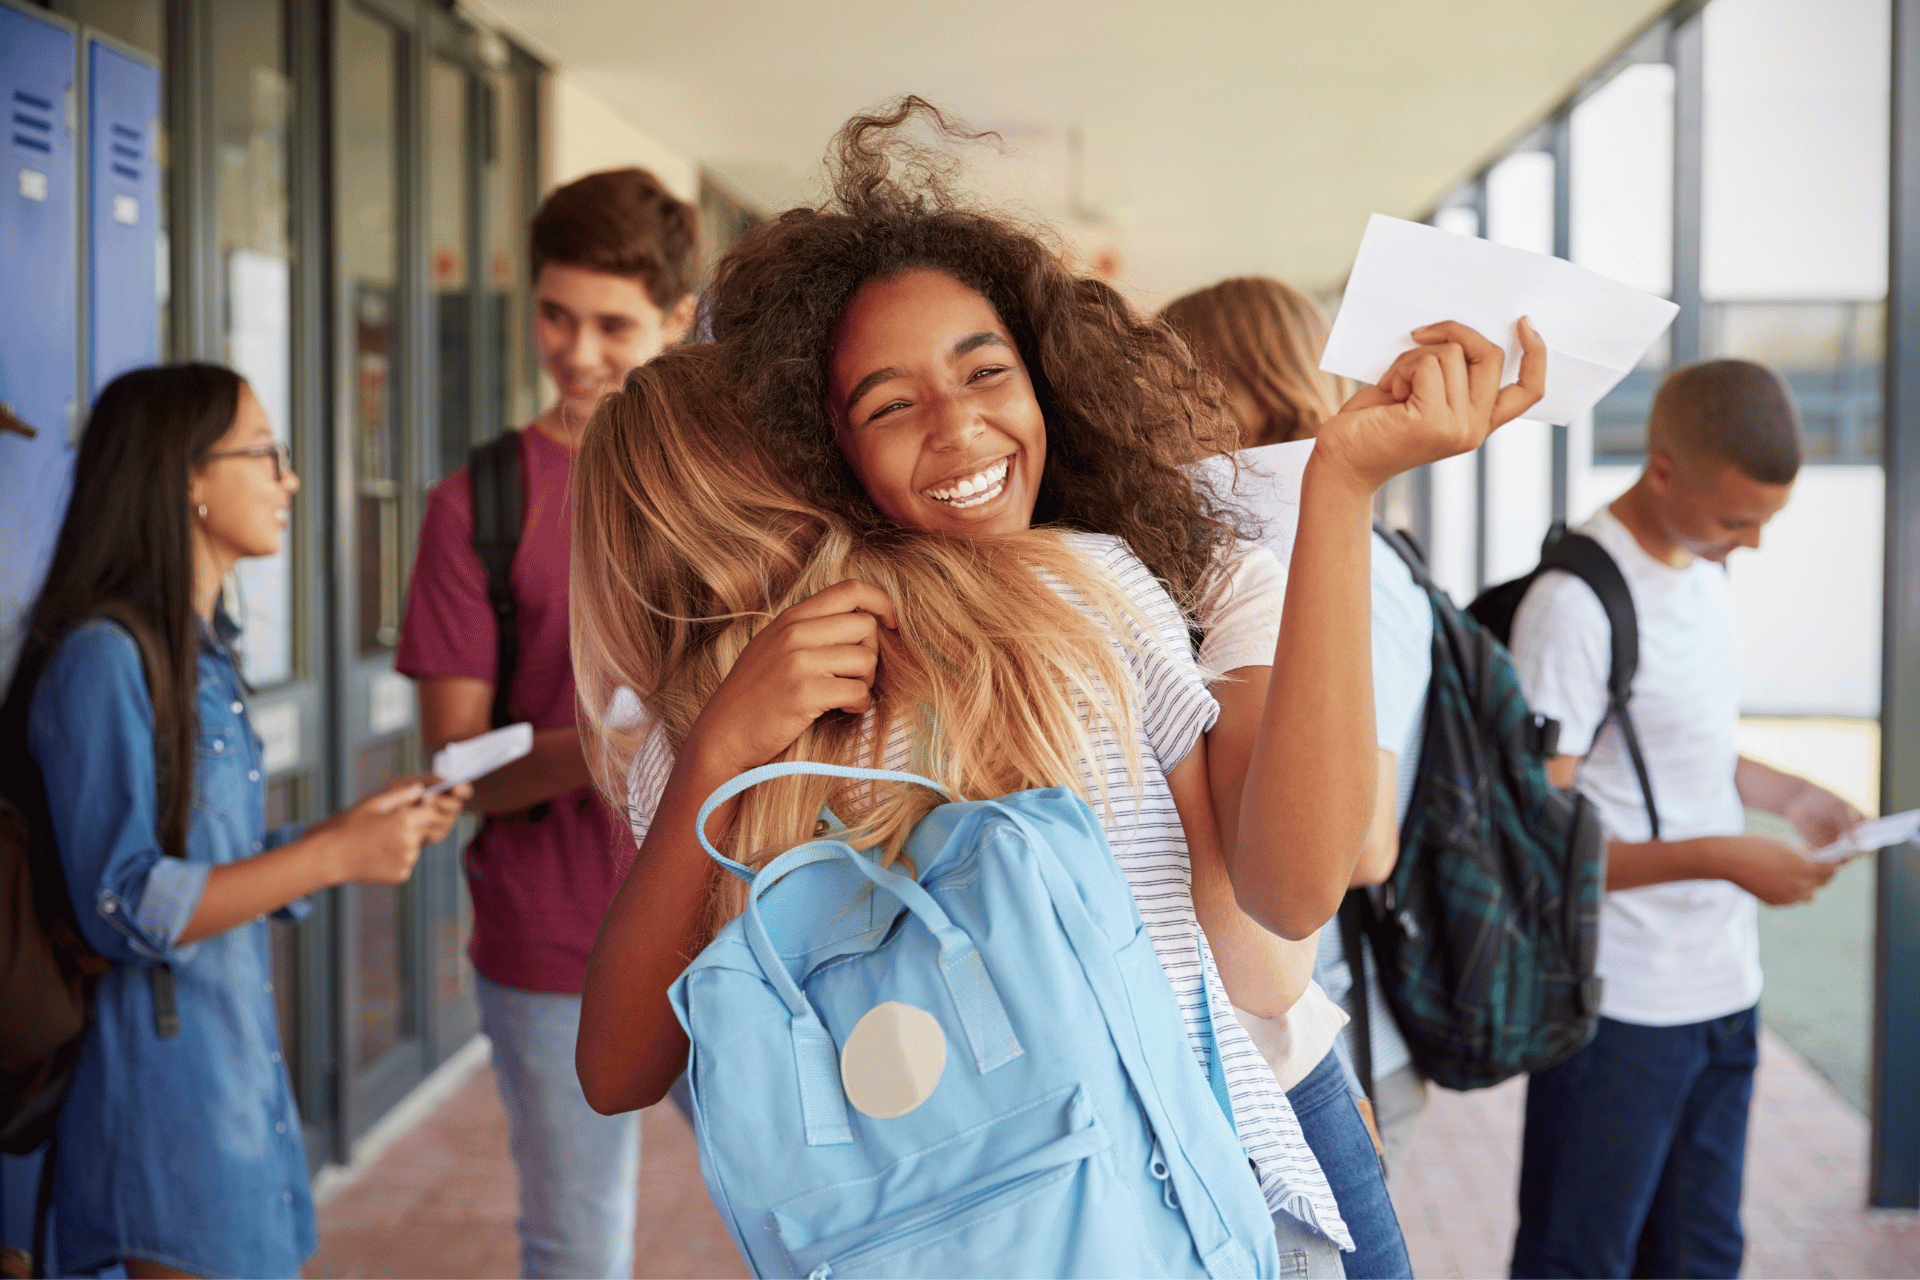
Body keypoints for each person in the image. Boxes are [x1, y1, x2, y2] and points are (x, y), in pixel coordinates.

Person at [574, 98, 1543, 1277]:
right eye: (885, 405)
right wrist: (724, 749)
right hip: (1105, 1215)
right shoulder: (720, 734)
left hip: (1136, 1201)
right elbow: (618, 1069)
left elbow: (1285, 891)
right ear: (823, 450)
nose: (958, 426)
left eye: (987, 370)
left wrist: (1337, 494)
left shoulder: (1070, 592)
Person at [0, 364, 464, 1280]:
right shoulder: (103, 657)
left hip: (236, 1071)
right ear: (186, 479)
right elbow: (127, 904)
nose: (290, 479)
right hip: (162, 1098)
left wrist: (345, 837)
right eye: (266, 454)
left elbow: (212, 867)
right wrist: (332, 855)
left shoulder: (205, 657)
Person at [395, 166, 698, 1280]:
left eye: (613, 324)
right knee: (579, 1246)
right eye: (555, 315)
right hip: (553, 937)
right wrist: (647, 739)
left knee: (827, 1216)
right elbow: (456, 769)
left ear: (675, 319)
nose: (576, 351)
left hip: (734, 911)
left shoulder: (720, 481)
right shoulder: (479, 503)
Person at [1505, 358, 1860, 1280]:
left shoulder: (1703, 572)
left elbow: (1681, 746)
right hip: (1619, 1005)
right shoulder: (1574, 607)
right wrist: (1723, 859)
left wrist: (1789, 796)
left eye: (1766, 522)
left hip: (1721, 990)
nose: (1749, 546)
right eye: (1736, 519)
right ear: (1661, 469)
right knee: (1581, 1260)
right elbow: (1544, 841)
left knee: (1702, 1256)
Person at [1163, 276, 1431, 1262]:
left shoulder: (1340, 562)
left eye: (1175, 391)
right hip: (1276, 1027)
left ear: (1243, 391)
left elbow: (1363, 845)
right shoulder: (1221, 555)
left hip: (1337, 1034)